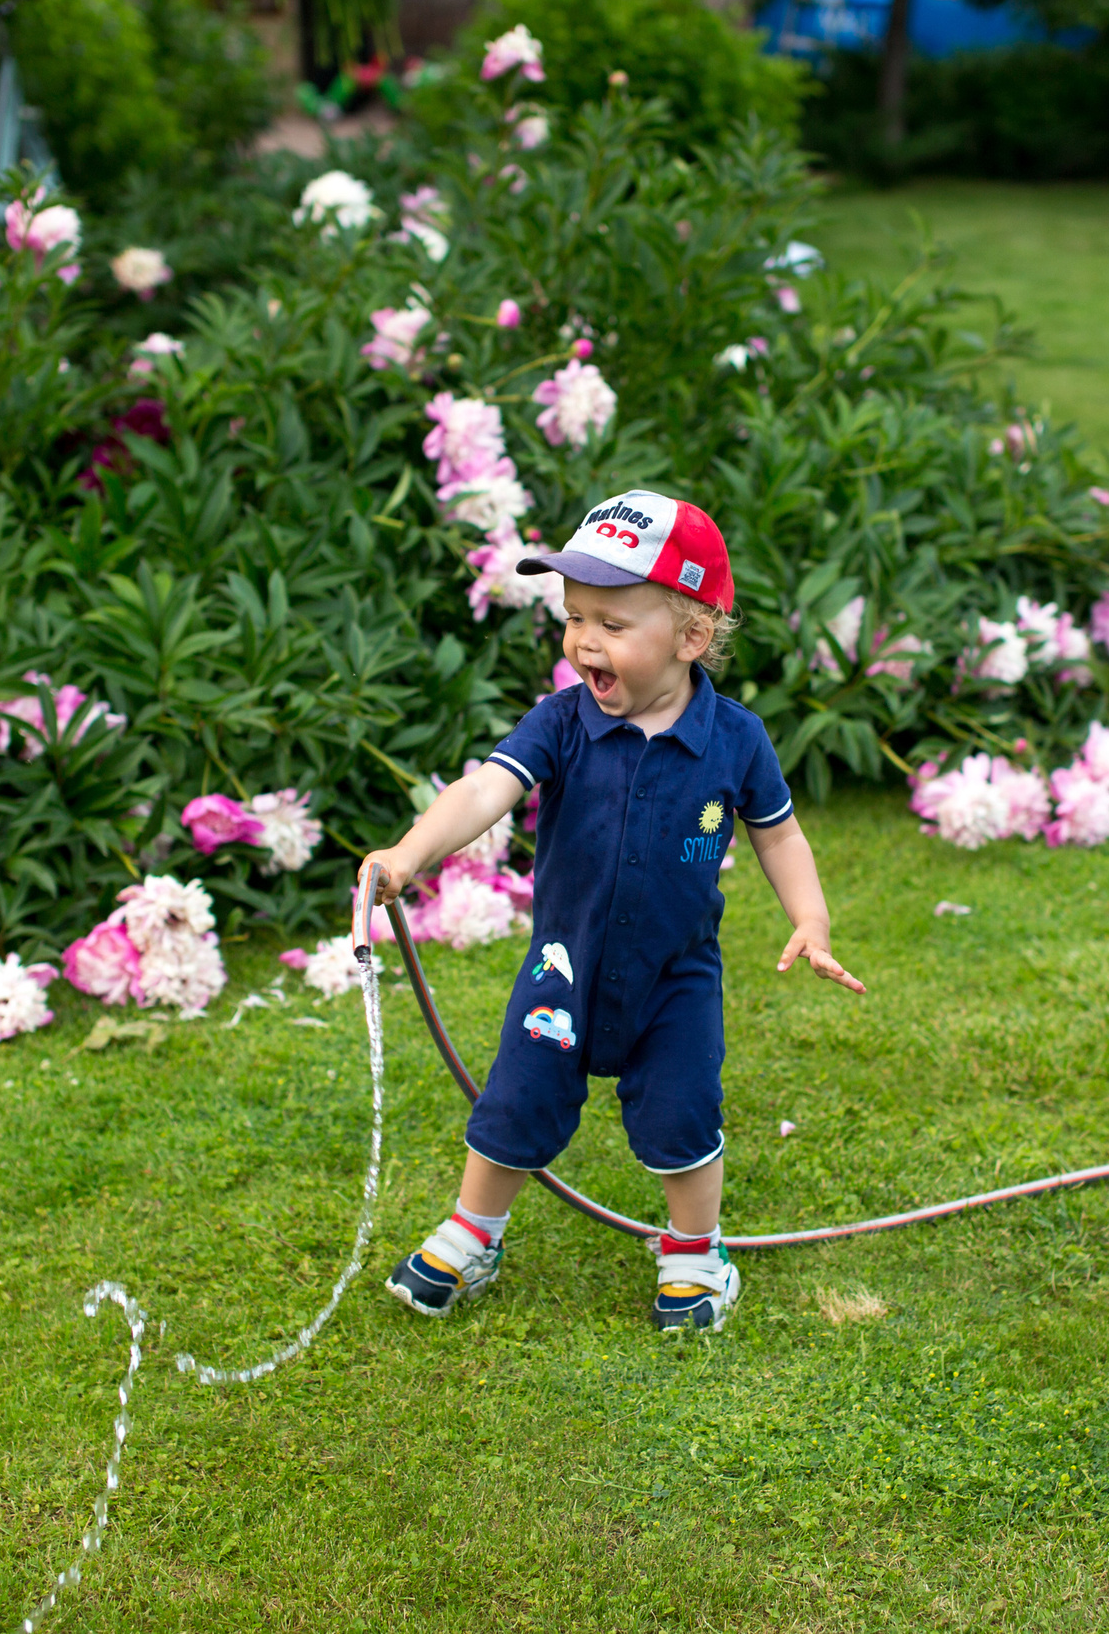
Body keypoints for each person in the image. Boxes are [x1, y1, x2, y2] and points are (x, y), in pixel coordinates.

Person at [357, 490, 865, 1334]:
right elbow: (487, 786)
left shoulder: (736, 738)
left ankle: (694, 1254)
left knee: (682, 1113)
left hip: (674, 977)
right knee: (515, 1101)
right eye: (575, 616)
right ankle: (473, 1232)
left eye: (612, 623)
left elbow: (779, 835)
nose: (585, 640)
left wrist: (809, 918)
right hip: (563, 963)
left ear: (691, 637)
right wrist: (409, 853)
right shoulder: (560, 721)